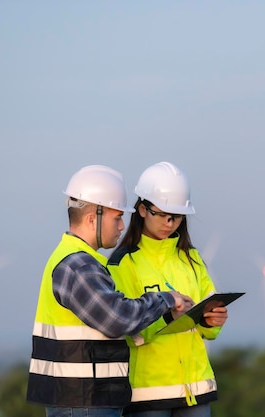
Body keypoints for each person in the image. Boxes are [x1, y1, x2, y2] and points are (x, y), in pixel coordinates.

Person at [27, 165, 194, 417]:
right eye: (117, 217)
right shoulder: (77, 265)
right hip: (82, 401)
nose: (121, 226)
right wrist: (166, 298)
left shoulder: (81, 261)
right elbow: (118, 318)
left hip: (85, 398)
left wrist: (168, 317)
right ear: (93, 218)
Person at [108, 161, 228, 417]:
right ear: (142, 209)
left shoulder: (192, 259)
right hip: (149, 393)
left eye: (177, 216)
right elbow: (126, 329)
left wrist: (213, 320)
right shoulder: (123, 263)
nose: (170, 223)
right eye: (162, 214)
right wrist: (167, 316)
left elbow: (209, 328)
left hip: (196, 389)